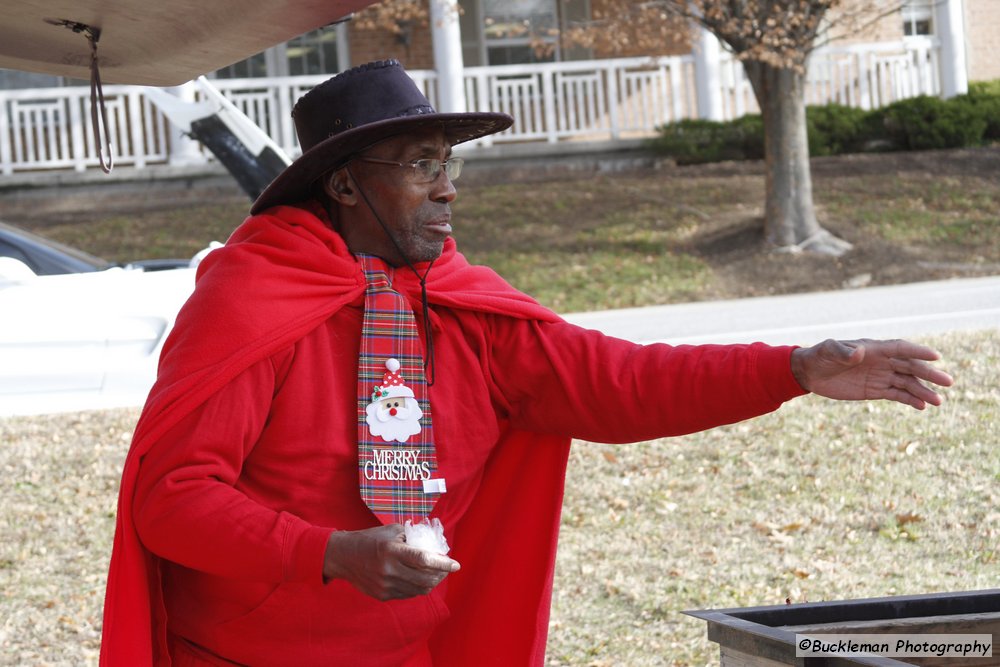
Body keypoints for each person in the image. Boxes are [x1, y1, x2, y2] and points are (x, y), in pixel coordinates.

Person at [99, 60, 953, 667]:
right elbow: (171, 498)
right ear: (346, 186)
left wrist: (792, 368)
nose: (448, 187)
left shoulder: (467, 306)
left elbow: (620, 380)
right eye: (421, 164)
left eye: (450, 162)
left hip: (411, 652)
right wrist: (329, 551)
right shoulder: (254, 299)